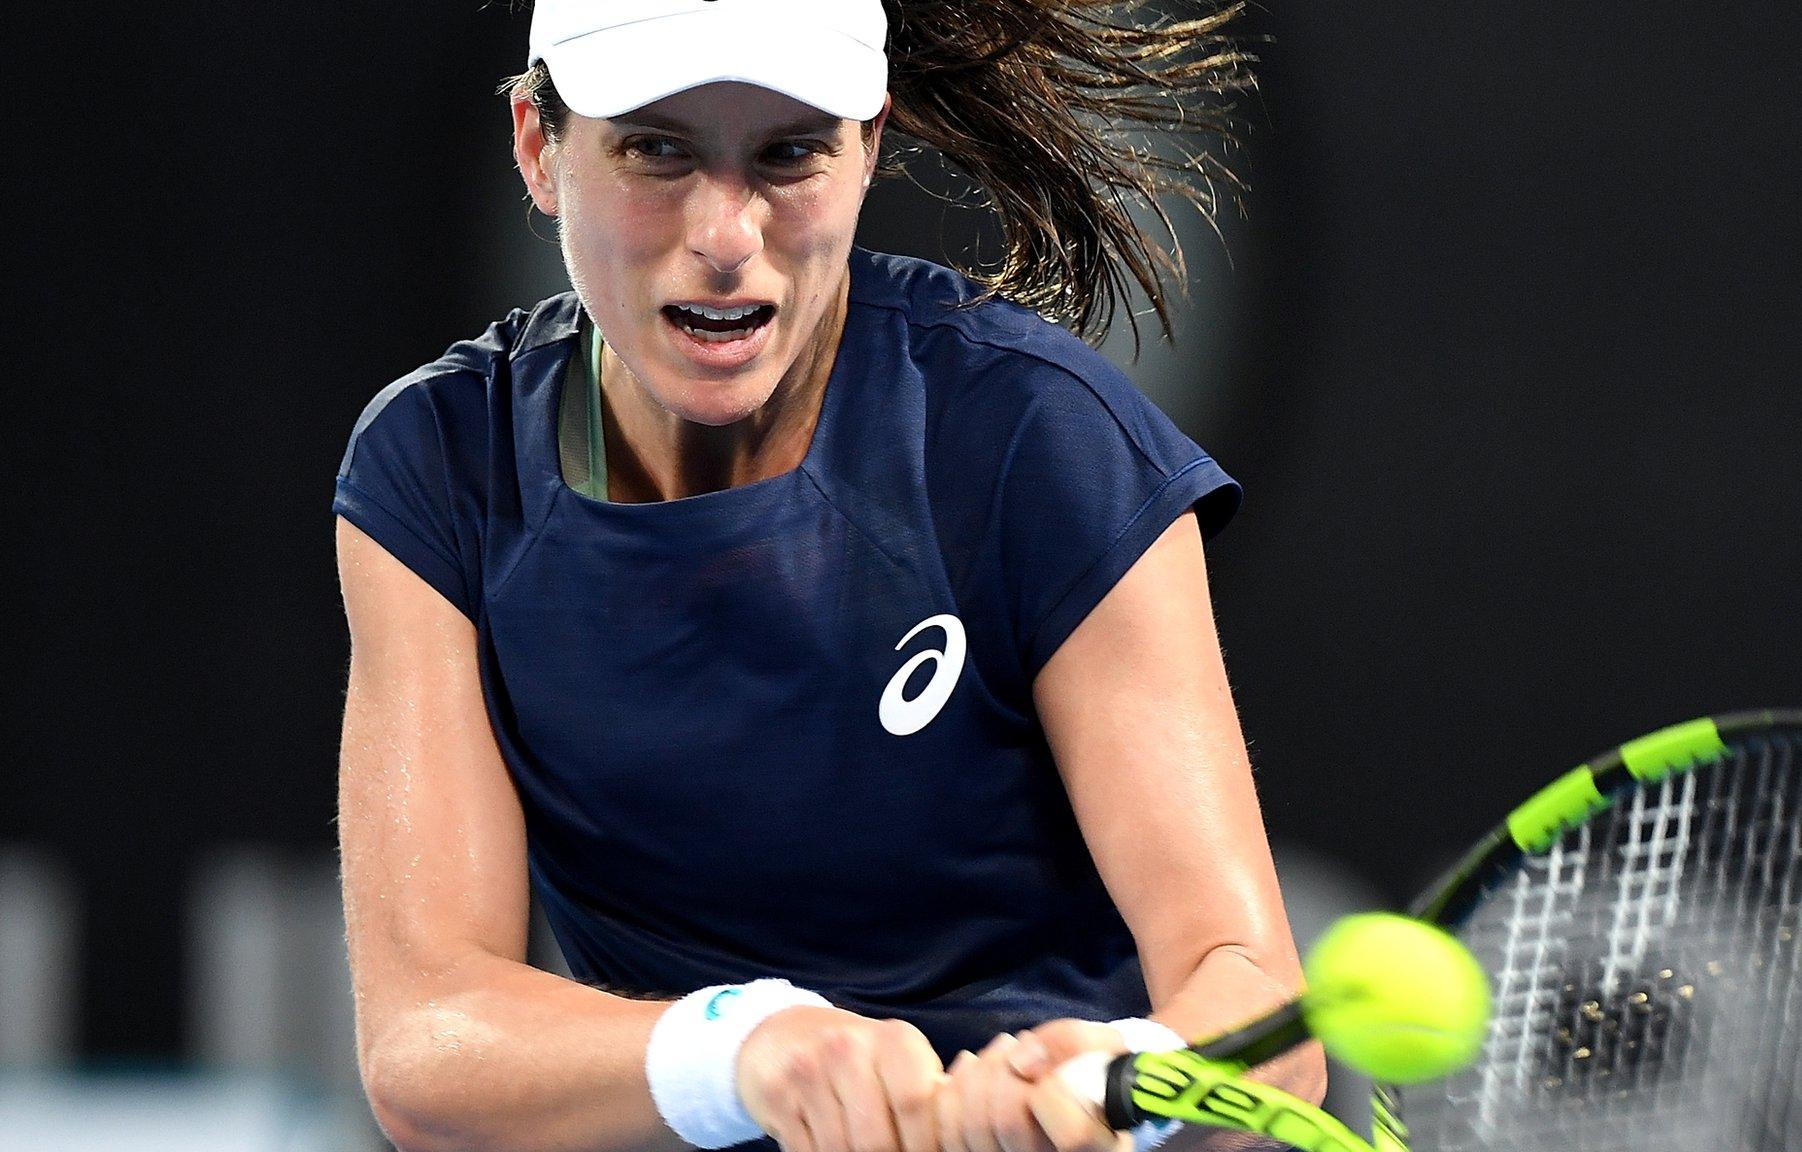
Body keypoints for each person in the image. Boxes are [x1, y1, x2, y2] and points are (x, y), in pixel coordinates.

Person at [332, 2, 1321, 1151]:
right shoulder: (437, 465)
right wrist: (747, 1049)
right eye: (654, 148)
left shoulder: (1040, 438)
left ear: (868, 150)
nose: (722, 232)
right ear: (537, 147)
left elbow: (1257, 1010)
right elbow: (424, 1037)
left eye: (788, 152)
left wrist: (1122, 1081)